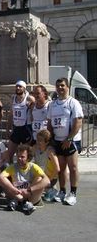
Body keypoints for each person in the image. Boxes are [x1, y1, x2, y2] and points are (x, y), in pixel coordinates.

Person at [47, 77, 83, 206]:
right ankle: (62, 191)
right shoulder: (52, 104)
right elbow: (50, 123)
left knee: (72, 168)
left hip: (71, 141)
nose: (60, 88)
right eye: (58, 86)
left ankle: (73, 193)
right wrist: (50, 139)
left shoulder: (73, 103)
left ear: (67, 87)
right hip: (58, 140)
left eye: (62, 85)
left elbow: (78, 122)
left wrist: (69, 138)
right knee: (61, 169)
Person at [0, 144, 50, 215]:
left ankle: (20, 202)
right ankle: (24, 203)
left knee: (39, 179)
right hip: (17, 194)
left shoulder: (34, 167)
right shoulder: (13, 167)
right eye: (18, 156)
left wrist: (29, 190)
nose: (19, 159)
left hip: (30, 195)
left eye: (22, 157)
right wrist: (13, 189)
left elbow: (47, 181)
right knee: (1, 179)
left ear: (28, 157)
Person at [7, 80, 35, 161]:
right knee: (9, 154)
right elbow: (11, 114)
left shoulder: (29, 98)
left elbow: (35, 111)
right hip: (16, 128)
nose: (18, 88)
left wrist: (31, 105)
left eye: (20, 87)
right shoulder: (13, 98)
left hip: (26, 128)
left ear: (24, 88)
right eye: (17, 86)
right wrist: (8, 128)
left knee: (25, 154)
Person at [33, 129, 60, 202]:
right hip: (40, 174)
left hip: (50, 177)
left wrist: (49, 180)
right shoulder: (35, 148)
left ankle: (51, 188)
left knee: (35, 190)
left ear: (47, 142)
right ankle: (48, 189)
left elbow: (57, 169)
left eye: (40, 140)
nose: (38, 142)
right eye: (37, 139)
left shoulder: (50, 151)